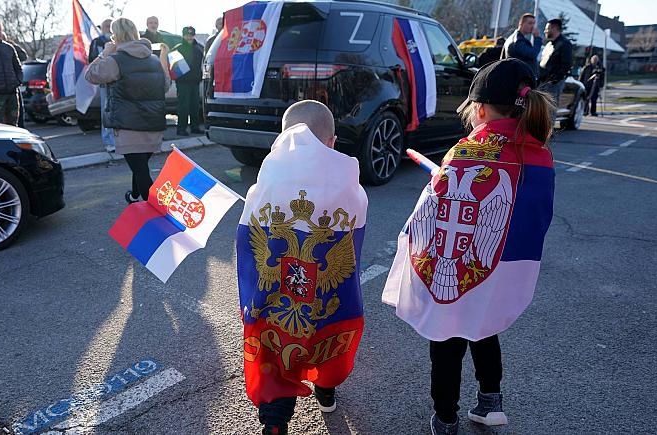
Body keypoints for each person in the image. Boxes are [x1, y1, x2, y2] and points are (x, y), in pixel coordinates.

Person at [381, 58, 556, 435]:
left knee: (446, 339)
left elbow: (430, 212)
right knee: (484, 326)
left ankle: (445, 418)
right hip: (494, 268)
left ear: (479, 109)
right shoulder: (537, 152)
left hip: (454, 266)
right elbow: (534, 215)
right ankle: (491, 402)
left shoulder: (463, 152)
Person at [236, 100, 368, 435]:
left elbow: (248, 247)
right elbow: (352, 242)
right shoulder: (349, 185)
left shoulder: (263, 184)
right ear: (332, 143)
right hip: (323, 299)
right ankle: (325, 391)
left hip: (275, 299)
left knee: (276, 348)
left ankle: (276, 421)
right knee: (325, 332)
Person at [84, 17, 170, 204]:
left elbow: (90, 75)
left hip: (128, 126)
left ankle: (157, 215)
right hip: (153, 125)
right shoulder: (154, 59)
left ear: (116, 37)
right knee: (141, 166)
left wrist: (103, 54)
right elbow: (165, 86)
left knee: (141, 170)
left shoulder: (115, 60)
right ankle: (134, 195)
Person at [89, 18, 116, 152]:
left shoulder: (119, 41)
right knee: (106, 112)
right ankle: (109, 142)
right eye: (106, 26)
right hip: (106, 83)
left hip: (119, 81)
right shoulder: (97, 42)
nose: (109, 28)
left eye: (111, 26)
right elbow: (92, 60)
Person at [172, 26, 204, 136]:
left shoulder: (200, 48)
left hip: (195, 81)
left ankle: (195, 127)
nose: (189, 37)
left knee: (195, 106)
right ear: (183, 35)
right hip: (182, 82)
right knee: (183, 106)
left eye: (191, 35)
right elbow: (173, 66)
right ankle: (181, 128)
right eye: (186, 34)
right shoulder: (177, 48)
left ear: (194, 35)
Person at [539, 18, 573, 105]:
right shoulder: (549, 44)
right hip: (543, 82)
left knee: (549, 110)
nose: (545, 31)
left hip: (553, 84)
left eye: (547, 28)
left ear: (554, 28)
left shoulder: (565, 44)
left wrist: (554, 80)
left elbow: (567, 64)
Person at [2, 32, 28, 128]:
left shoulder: (10, 49)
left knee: (18, 112)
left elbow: (23, 56)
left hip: (12, 85)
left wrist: (12, 45)